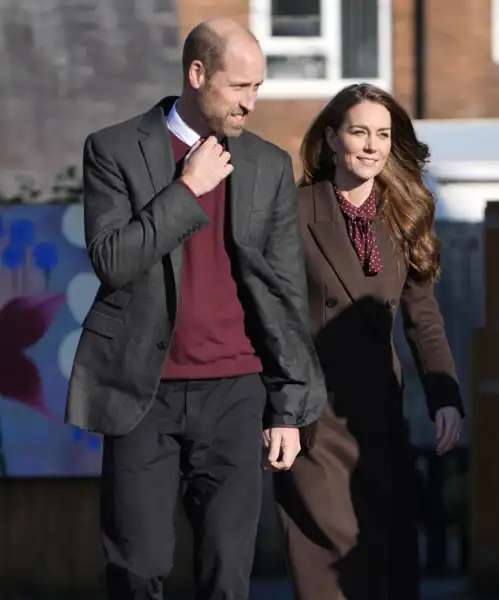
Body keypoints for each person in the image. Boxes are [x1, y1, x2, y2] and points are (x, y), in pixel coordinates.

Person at [65, 18, 326, 600]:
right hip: (142, 392)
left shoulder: (267, 164)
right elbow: (112, 259)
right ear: (197, 73)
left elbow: (285, 292)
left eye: (258, 87)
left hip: (236, 393)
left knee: (227, 575)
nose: (251, 103)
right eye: (239, 87)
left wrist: (288, 404)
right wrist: (187, 190)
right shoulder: (112, 150)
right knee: (137, 569)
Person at [273, 83, 465, 600]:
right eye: (359, 131)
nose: (371, 145)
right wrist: (280, 412)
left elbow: (423, 318)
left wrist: (444, 397)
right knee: (334, 552)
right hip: (313, 414)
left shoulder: (406, 213)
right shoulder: (292, 209)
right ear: (332, 138)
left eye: (382, 134)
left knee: (382, 557)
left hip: (378, 415)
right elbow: (272, 314)